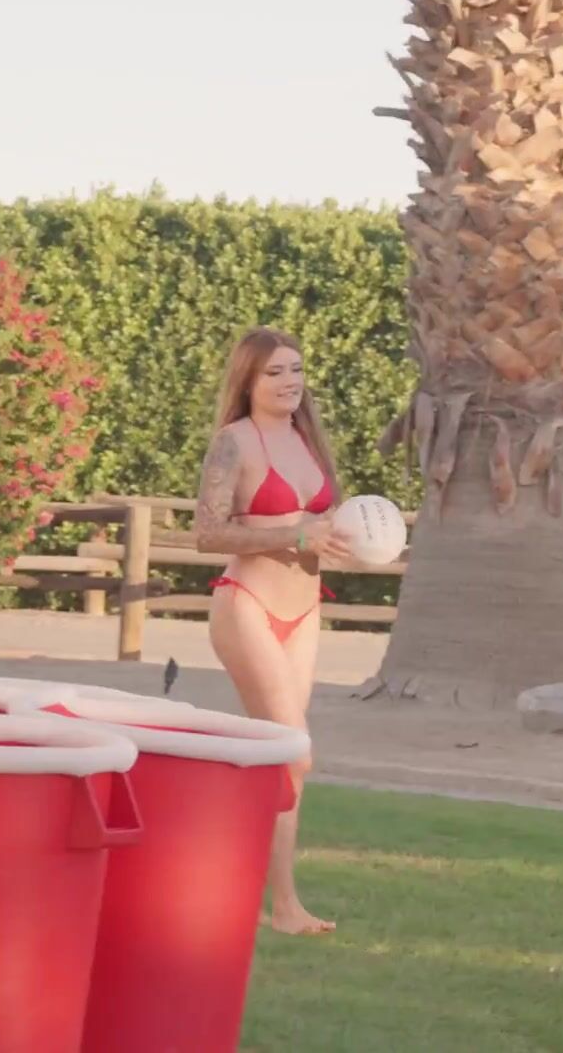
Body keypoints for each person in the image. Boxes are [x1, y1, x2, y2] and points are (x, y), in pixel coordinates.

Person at [194, 326, 352, 935]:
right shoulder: (233, 442)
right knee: (295, 751)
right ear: (249, 380)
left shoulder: (308, 440)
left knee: (284, 762)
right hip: (248, 605)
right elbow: (208, 533)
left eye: (297, 370)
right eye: (275, 372)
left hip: (305, 610)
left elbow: (322, 525)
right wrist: (295, 535)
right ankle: (281, 906)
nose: (290, 382)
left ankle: (248, 887)